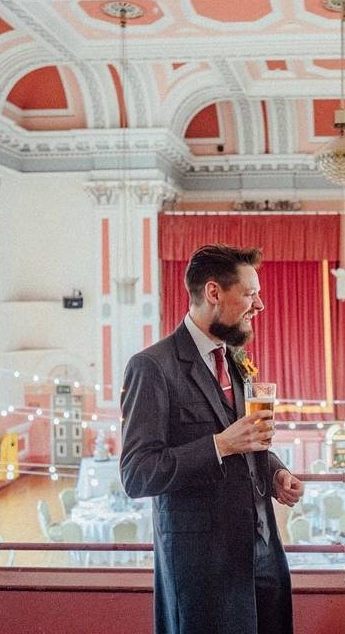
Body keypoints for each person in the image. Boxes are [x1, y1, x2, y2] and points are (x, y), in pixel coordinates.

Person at [120, 244, 304, 634]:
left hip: (263, 554)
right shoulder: (152, 367)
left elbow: (246, 439)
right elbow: (137, 475)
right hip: (202, 571)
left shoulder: (234, 357)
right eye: (250, 294)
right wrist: (220, 445)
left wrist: (275, 474)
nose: (260, 305)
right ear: (214, 292)